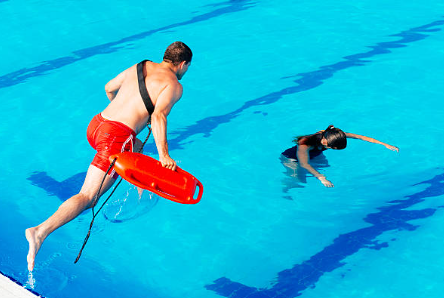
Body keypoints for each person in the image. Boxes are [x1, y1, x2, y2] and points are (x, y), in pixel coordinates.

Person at [25, 41, 192, 271]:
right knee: (87, 197)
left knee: (134, 144)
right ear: (183, 64)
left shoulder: (141, 65)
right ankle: (39, 232)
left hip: (97, 125)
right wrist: (164, 155)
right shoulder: (174, 85)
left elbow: (109, 88)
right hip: (115, 138)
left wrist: (123, 119)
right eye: (187, 67)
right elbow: (159, 117)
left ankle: (139, 183)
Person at [281, 125, 399, 188]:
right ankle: (287, 187)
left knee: (325, 166)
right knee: (300, 180)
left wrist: (384, 144)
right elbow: (304, 164)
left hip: (315, 153)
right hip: (292, 158)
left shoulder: (334, 135)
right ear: (327, 144)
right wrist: (321, 177)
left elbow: (360, 137)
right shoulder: (304, 143)